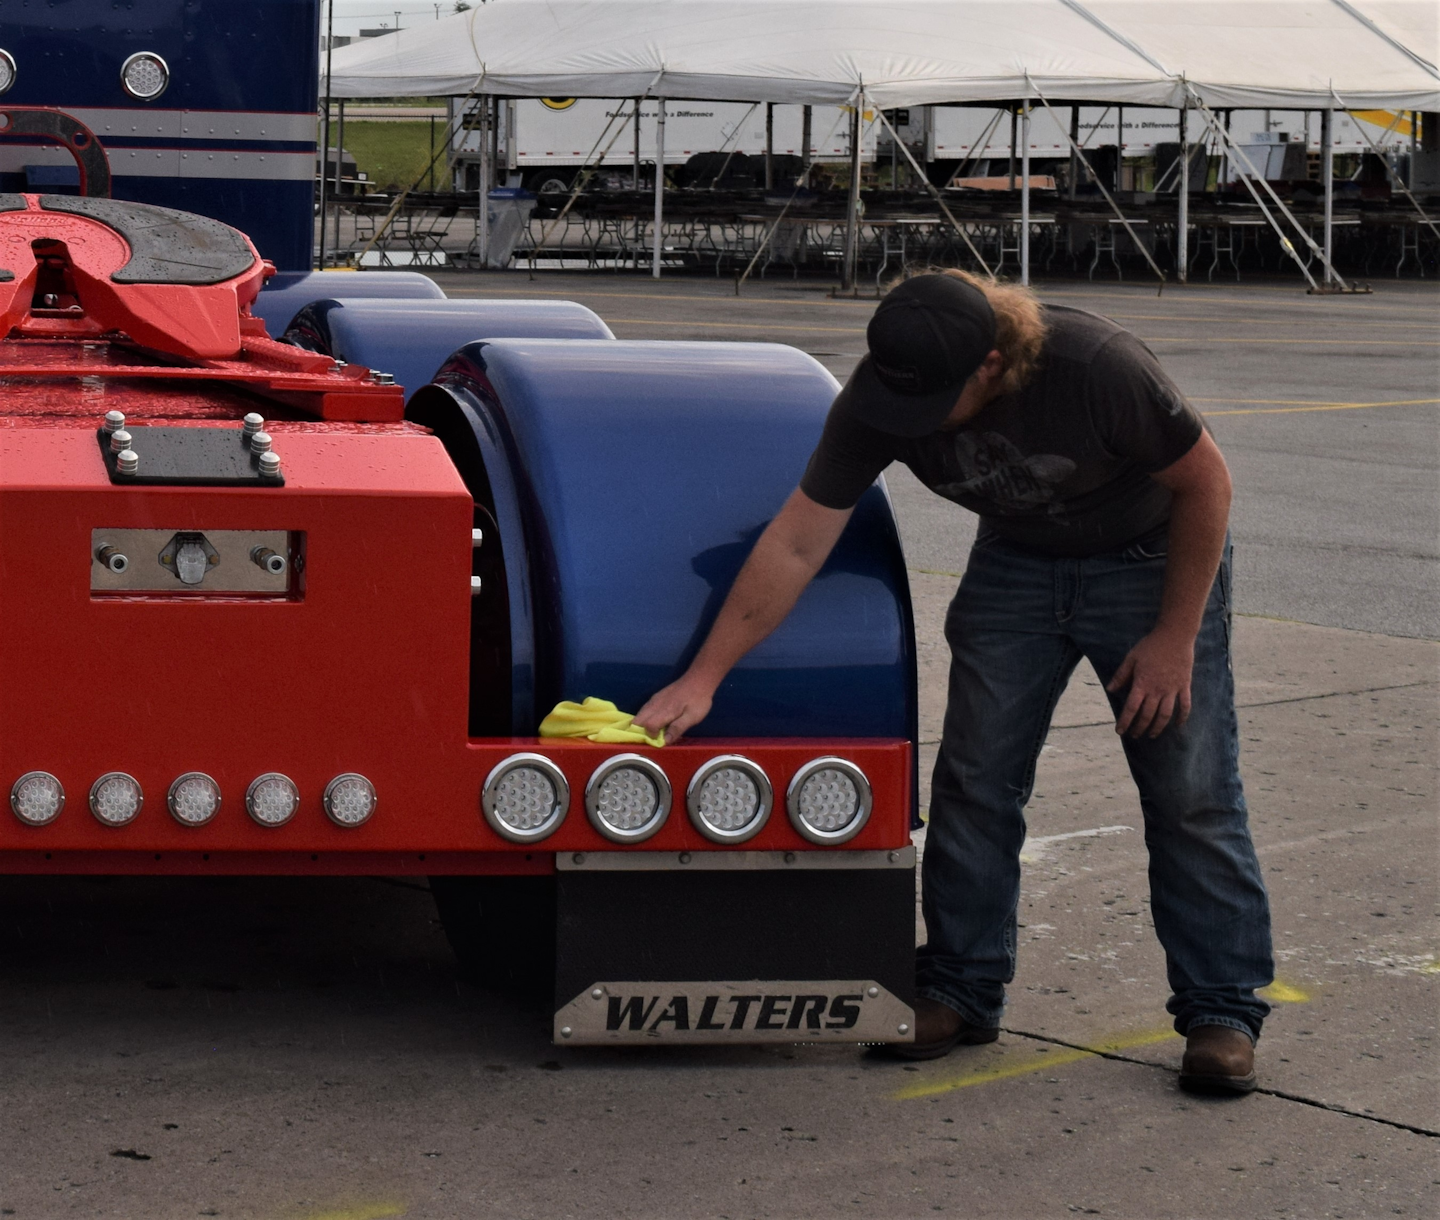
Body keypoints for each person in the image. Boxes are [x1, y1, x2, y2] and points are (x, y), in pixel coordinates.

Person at [635, 270, 1273, 1095]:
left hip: (1148, 565)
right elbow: (797, 541)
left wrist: (1173, 637)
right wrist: (704, 677)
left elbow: (1207, 483)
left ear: (993, 364)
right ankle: (960, 989)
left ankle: (1221, 1010)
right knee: (975, 778)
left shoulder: (1096, 365)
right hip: (1018, 565)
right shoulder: (881, 395)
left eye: (935, 403)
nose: (914, 426)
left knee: (1190, 792)